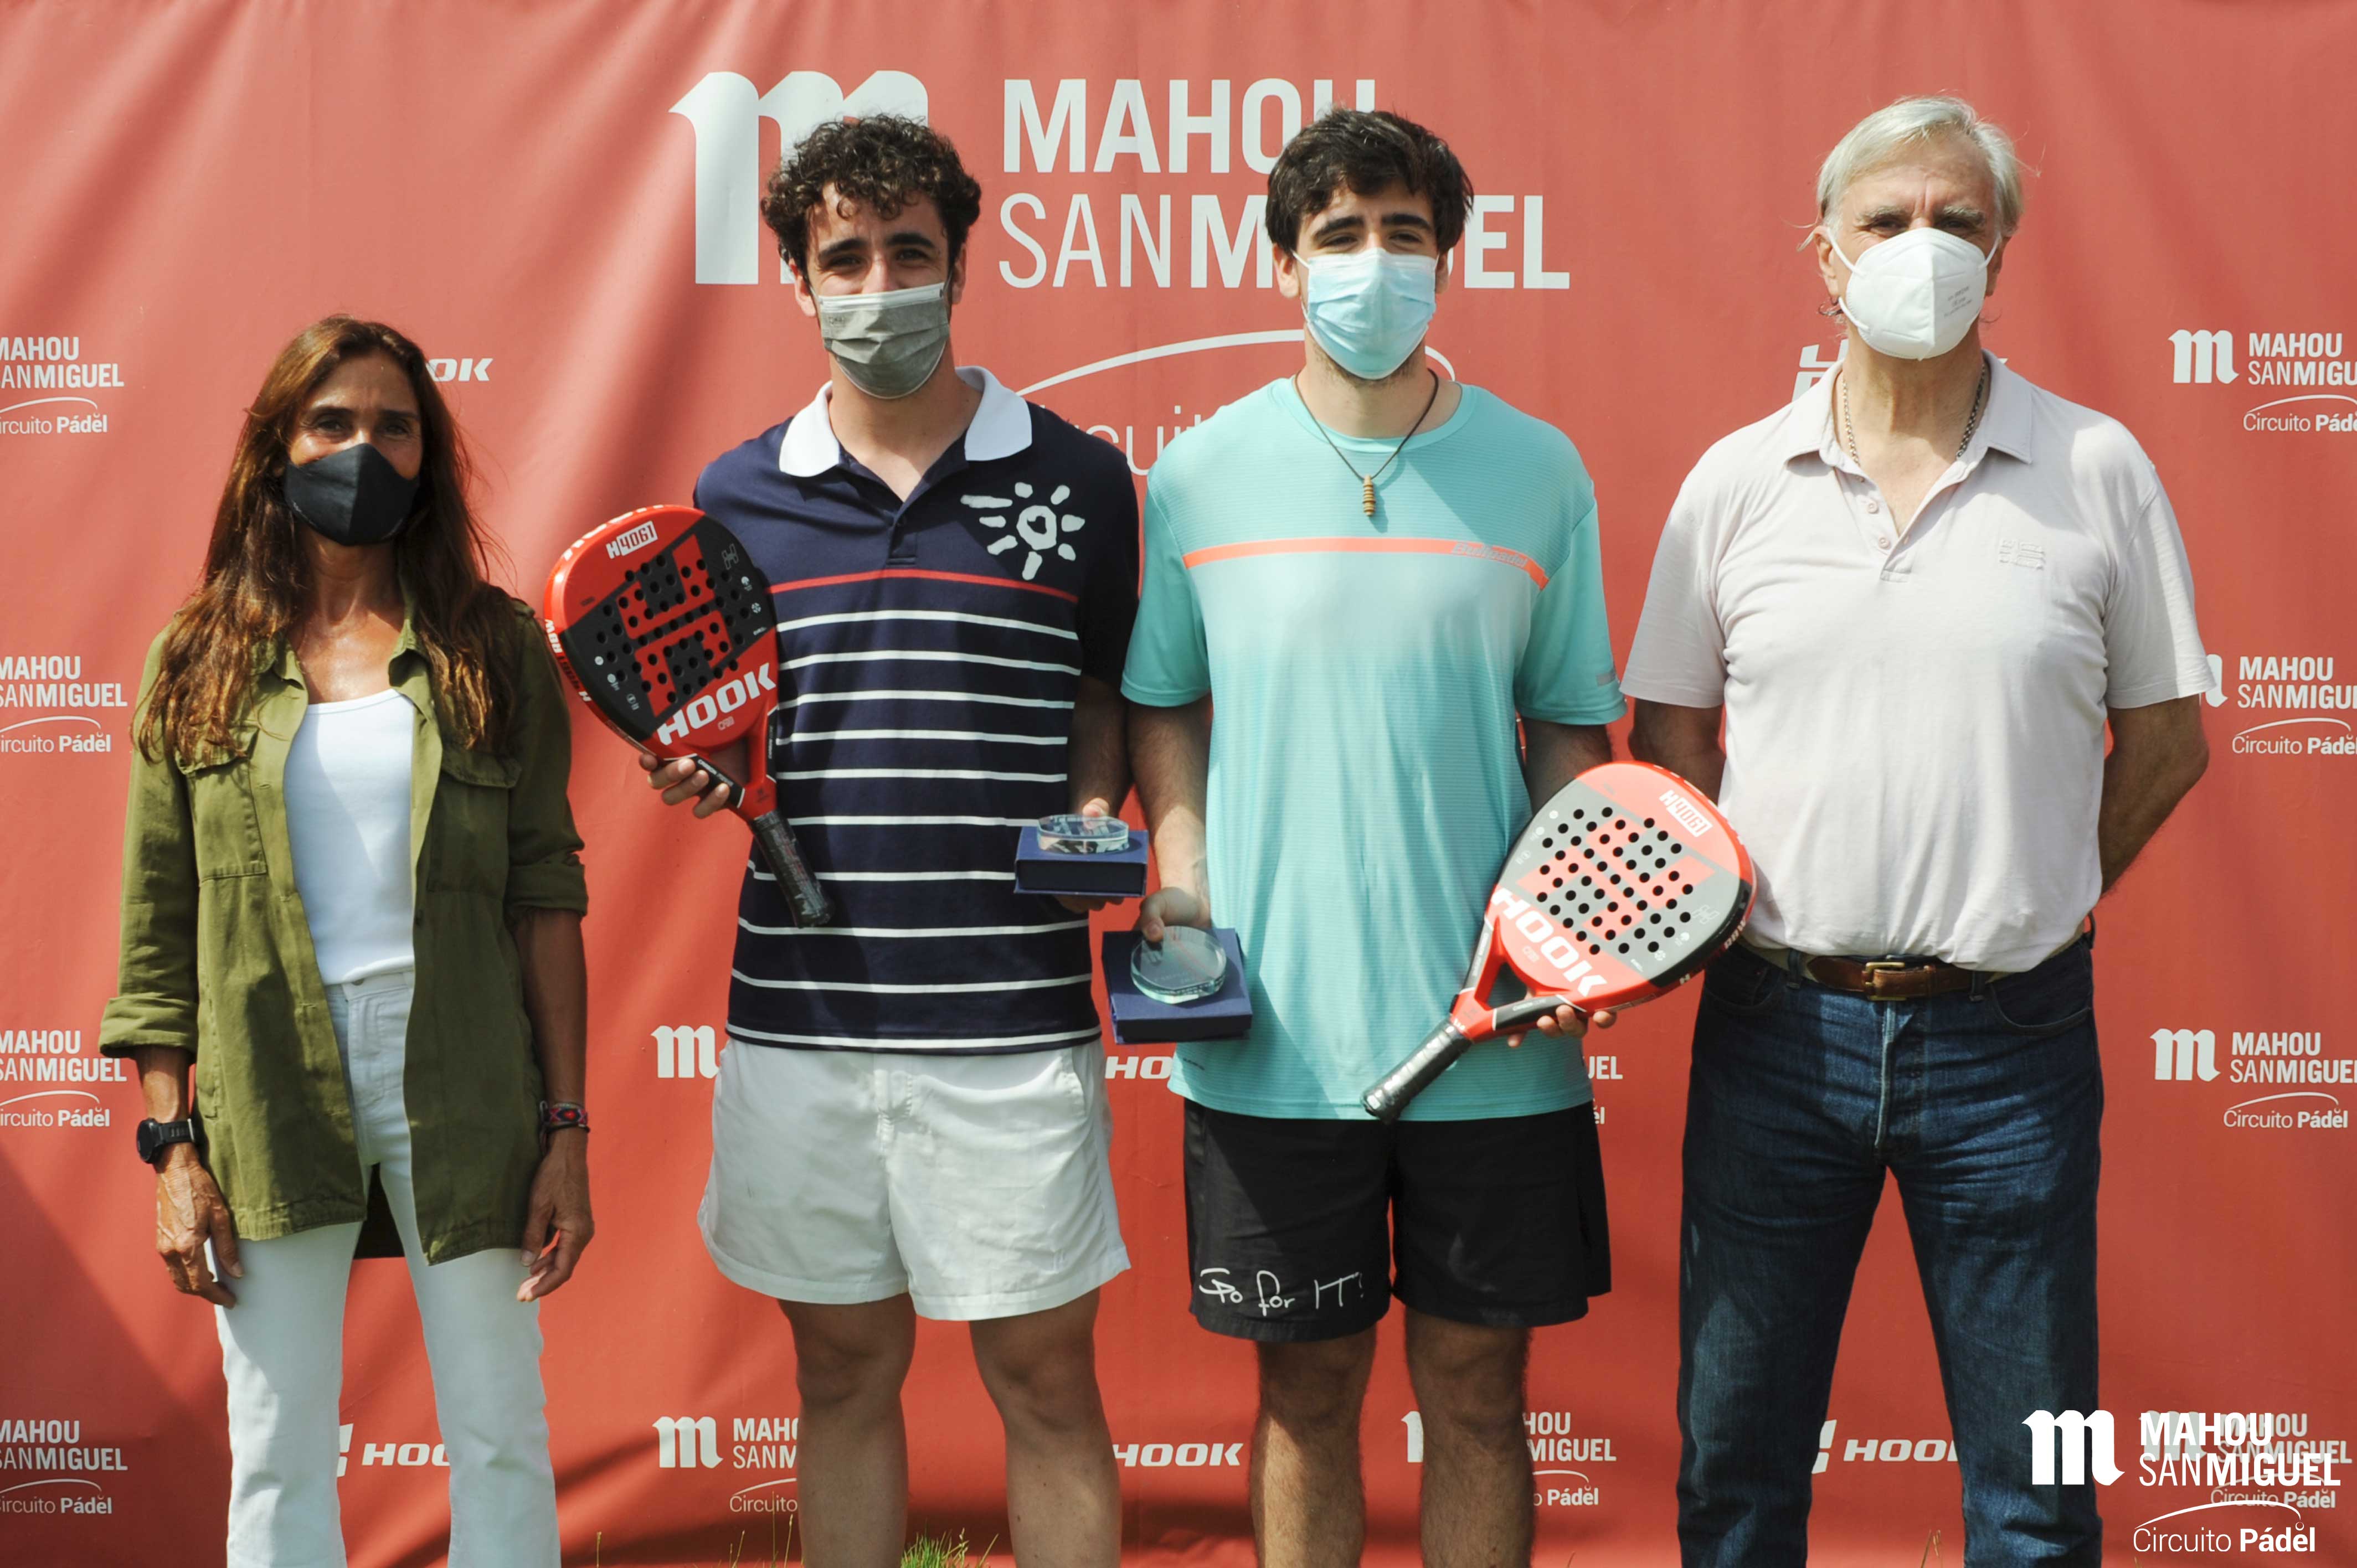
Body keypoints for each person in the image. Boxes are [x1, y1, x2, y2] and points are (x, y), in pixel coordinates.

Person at [1621, 96, 2212, 1565]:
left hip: (2017, 1042)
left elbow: (2170, 739)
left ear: (2001, 252)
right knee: (1735, 1474)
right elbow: (1671, 736)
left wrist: (2050, 885)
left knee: (2040, 1492)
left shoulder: (2099, 467)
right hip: (1774, 1030)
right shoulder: (1734, 482)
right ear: (1823, 254)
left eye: (1958, 220)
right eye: (1885, 220)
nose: (1921, 247)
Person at [1123, 107, 1625, 1566]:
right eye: (1338, 234)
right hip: (1271, 1041)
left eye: (1405, 233)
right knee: (1305, 1397)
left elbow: (1570, 732)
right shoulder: (1201, 472)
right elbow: (1163, 698)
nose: (1372, 262)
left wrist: (1568, 934)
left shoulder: (1540, 470)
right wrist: (1185, 878)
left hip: (1495, 1043)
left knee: (1478, 1395)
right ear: (1283, 263)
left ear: (1447, 260)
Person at [642, 115, 1136, 1566]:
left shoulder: (1082, 478)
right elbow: (722, 727)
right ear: (797, 278)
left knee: (1046, 1385)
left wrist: (1094, 807)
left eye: (908, 253)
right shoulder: (735, 495)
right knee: (842, 1377)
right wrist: (703, 774)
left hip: (1012, 1025)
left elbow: (1108, 692)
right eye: (845, 258)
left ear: (959, 266)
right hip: (802, 1025)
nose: (878, 285)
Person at [100, 315, 593, 1567]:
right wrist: (171, 1147)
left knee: (499, 1429)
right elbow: (158, 932)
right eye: (331, 423)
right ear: (277, 446)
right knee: (276, 1446)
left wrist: (566, 1130)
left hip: (465, 1072)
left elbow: (544, 896)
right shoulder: (196, 661)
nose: (362, 449)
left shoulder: (492, 649)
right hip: (270, 1079)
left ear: (428, 456)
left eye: (393, 426)